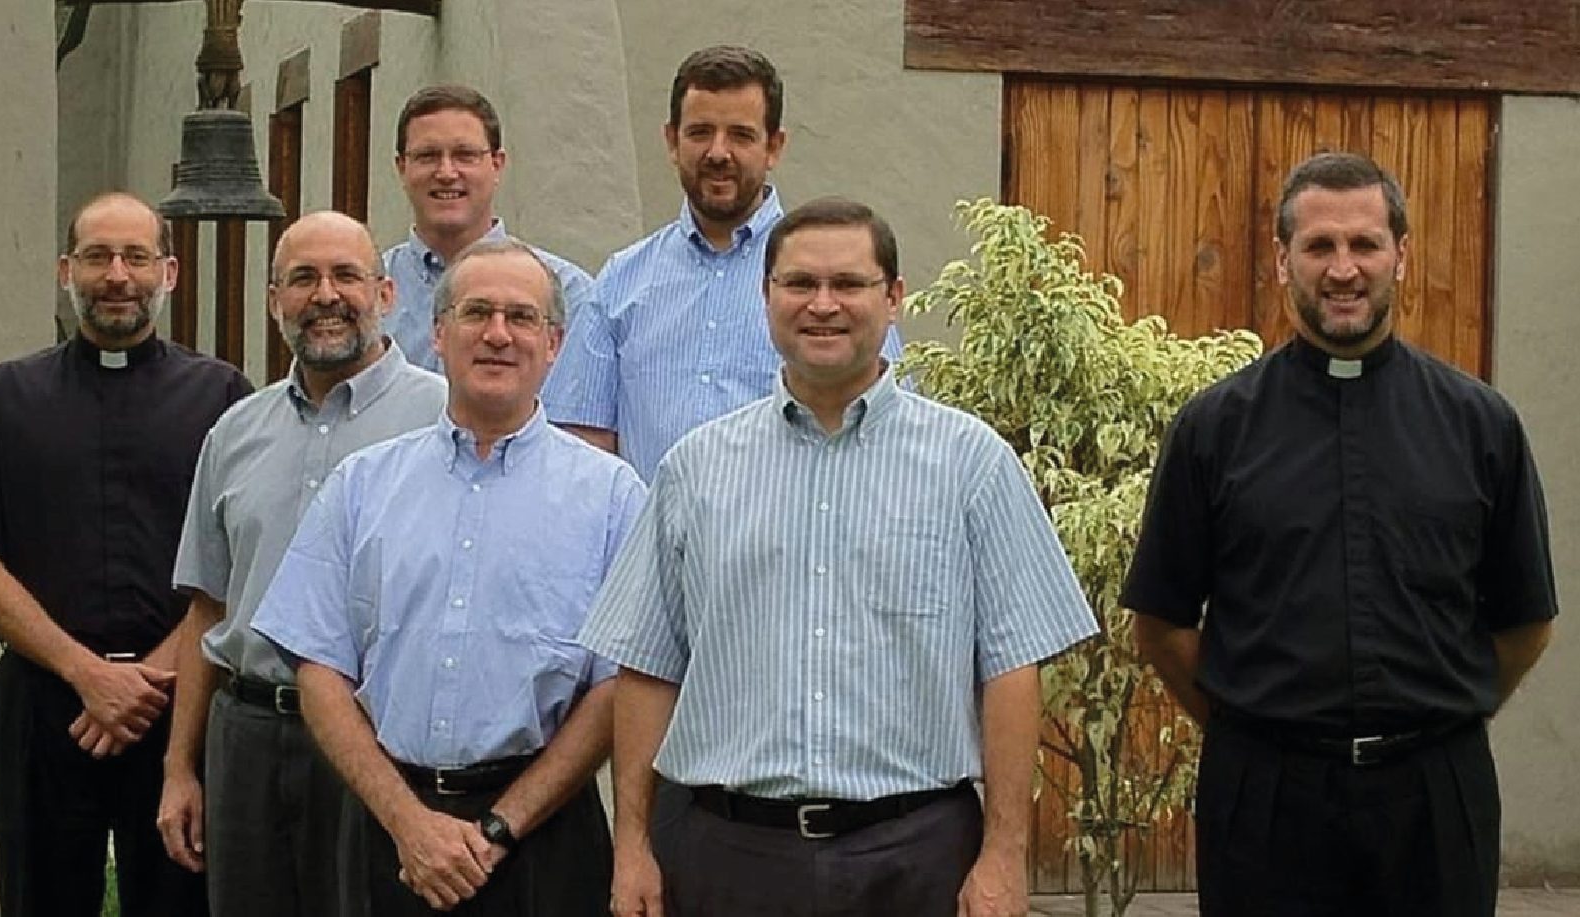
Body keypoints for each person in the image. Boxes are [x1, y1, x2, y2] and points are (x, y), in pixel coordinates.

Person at [581, 197, 1097, 917]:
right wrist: (632, 844)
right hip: (725, 856)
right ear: (765, 298)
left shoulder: (970, 462)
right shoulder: (694, 468)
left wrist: (1004, 854)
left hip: (914, 858)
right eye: (798, 284)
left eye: (848, 284)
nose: (822, 304)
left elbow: (1010, 669)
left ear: (892, 298)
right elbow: (645, 668)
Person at [1122, 151, 1558, 917]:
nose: (1343, 268)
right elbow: (1159, 624)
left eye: (1364, 244)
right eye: (1319, 246)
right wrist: (1253, 728)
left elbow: (1525, 622)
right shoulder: (1214, 429)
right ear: (1280, 261)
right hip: (1263, 803)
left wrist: (1438, 717)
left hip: (1434, 799)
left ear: (1401, 255)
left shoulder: (1478, 424)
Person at [252, 239, 645, 915]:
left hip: (544, 839)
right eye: (476, 312)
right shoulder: (362, 486)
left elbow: (616, 689)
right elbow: (318, 668)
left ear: (553, 343)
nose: (497, 334)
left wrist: (499, 827)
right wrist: (408, 822)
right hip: (387, 834)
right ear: (438, 333)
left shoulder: (613, 498)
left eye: (521, 318)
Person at [0, 192, 252, 917]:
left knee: (182, 900)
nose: (117, 275)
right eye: (98, 256)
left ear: (168, 272)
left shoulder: (223, 398)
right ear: (65, 269)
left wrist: (146, 681)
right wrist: (86, 673)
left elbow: (242, 558)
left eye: (136, 257)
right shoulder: (5, 396)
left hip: (182, 705)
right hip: (43, 704)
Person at [155, 211, 446, 916]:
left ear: (385, 293)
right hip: (248, 739)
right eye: (302, 278)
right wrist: (179, 766)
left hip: (377, 739)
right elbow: (208, 608)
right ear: (272, 298)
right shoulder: (236, 432)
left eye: (345, 275)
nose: (325, 294)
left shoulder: (443, 420)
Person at [543, 45, 904, 483]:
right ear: (672, 142)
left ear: (774, 147)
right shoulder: (621, 282)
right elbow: (583, 446)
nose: (718, 152)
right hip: (655, 543)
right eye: (699, 133)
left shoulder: (830, 289)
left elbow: (886, 430)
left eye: (740, 134)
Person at [382, 84, 594, 373]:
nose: (446, 173)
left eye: (465, 155)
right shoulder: (368, 292)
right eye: (428, 156)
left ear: (497, 164)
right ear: (401, 168)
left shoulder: (568, 293)